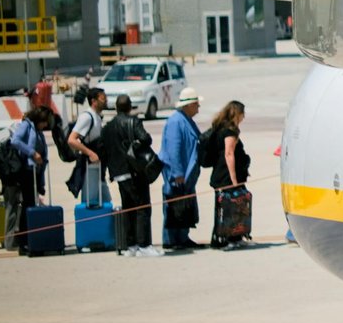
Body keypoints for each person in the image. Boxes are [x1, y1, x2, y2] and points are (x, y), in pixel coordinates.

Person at [102, 94, 159, 257]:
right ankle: (144, 245)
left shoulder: (108, 127)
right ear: (129, 106)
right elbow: (145, 139)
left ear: (116, 108)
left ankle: (131, 245)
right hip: (134, 171)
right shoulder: (134, 121)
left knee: (128, 208)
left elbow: (104, 148)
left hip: (119, 173)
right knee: (142, 207)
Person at [160, 87, 204, 251]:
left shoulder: (186, 120)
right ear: (188, 105)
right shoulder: (176, 121)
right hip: (178, 174)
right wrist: (177, 173)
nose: (198, 108)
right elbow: (173, 150)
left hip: (187, 174)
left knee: (184, 206)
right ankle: (171, 239)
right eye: (196, 105)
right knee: (174, 206)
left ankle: (182, 237)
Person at [3, 106, 52, 254]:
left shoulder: (37, 131)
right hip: (26, 171)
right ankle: (24, 242)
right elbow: (15, 141)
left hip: (35, 172)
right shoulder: (26, 126)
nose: (46, 125)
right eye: (44, 122)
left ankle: (30, 238)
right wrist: (32, 153)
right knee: (27, 206)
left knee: (31, 204)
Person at [206, 100, 252, 248]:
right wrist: (233, 178)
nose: (243, 117)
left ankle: (231, 237)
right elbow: (229, 153)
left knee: (227, 207)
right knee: (227, 208)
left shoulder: (220, 128)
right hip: (225, 176)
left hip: (220, 175)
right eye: (242, 114)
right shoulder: (230, 131)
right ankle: (223, 239)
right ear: (237, 114)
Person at [67, 86, 108, 207]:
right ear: (94, 101)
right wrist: (90, 153)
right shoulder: (87, 117)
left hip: (98, 168)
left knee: (105, 202)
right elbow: (71, 140)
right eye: (103, 98)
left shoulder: (97, 117)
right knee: (91, 203)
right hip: (89, 168)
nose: (105, 101)